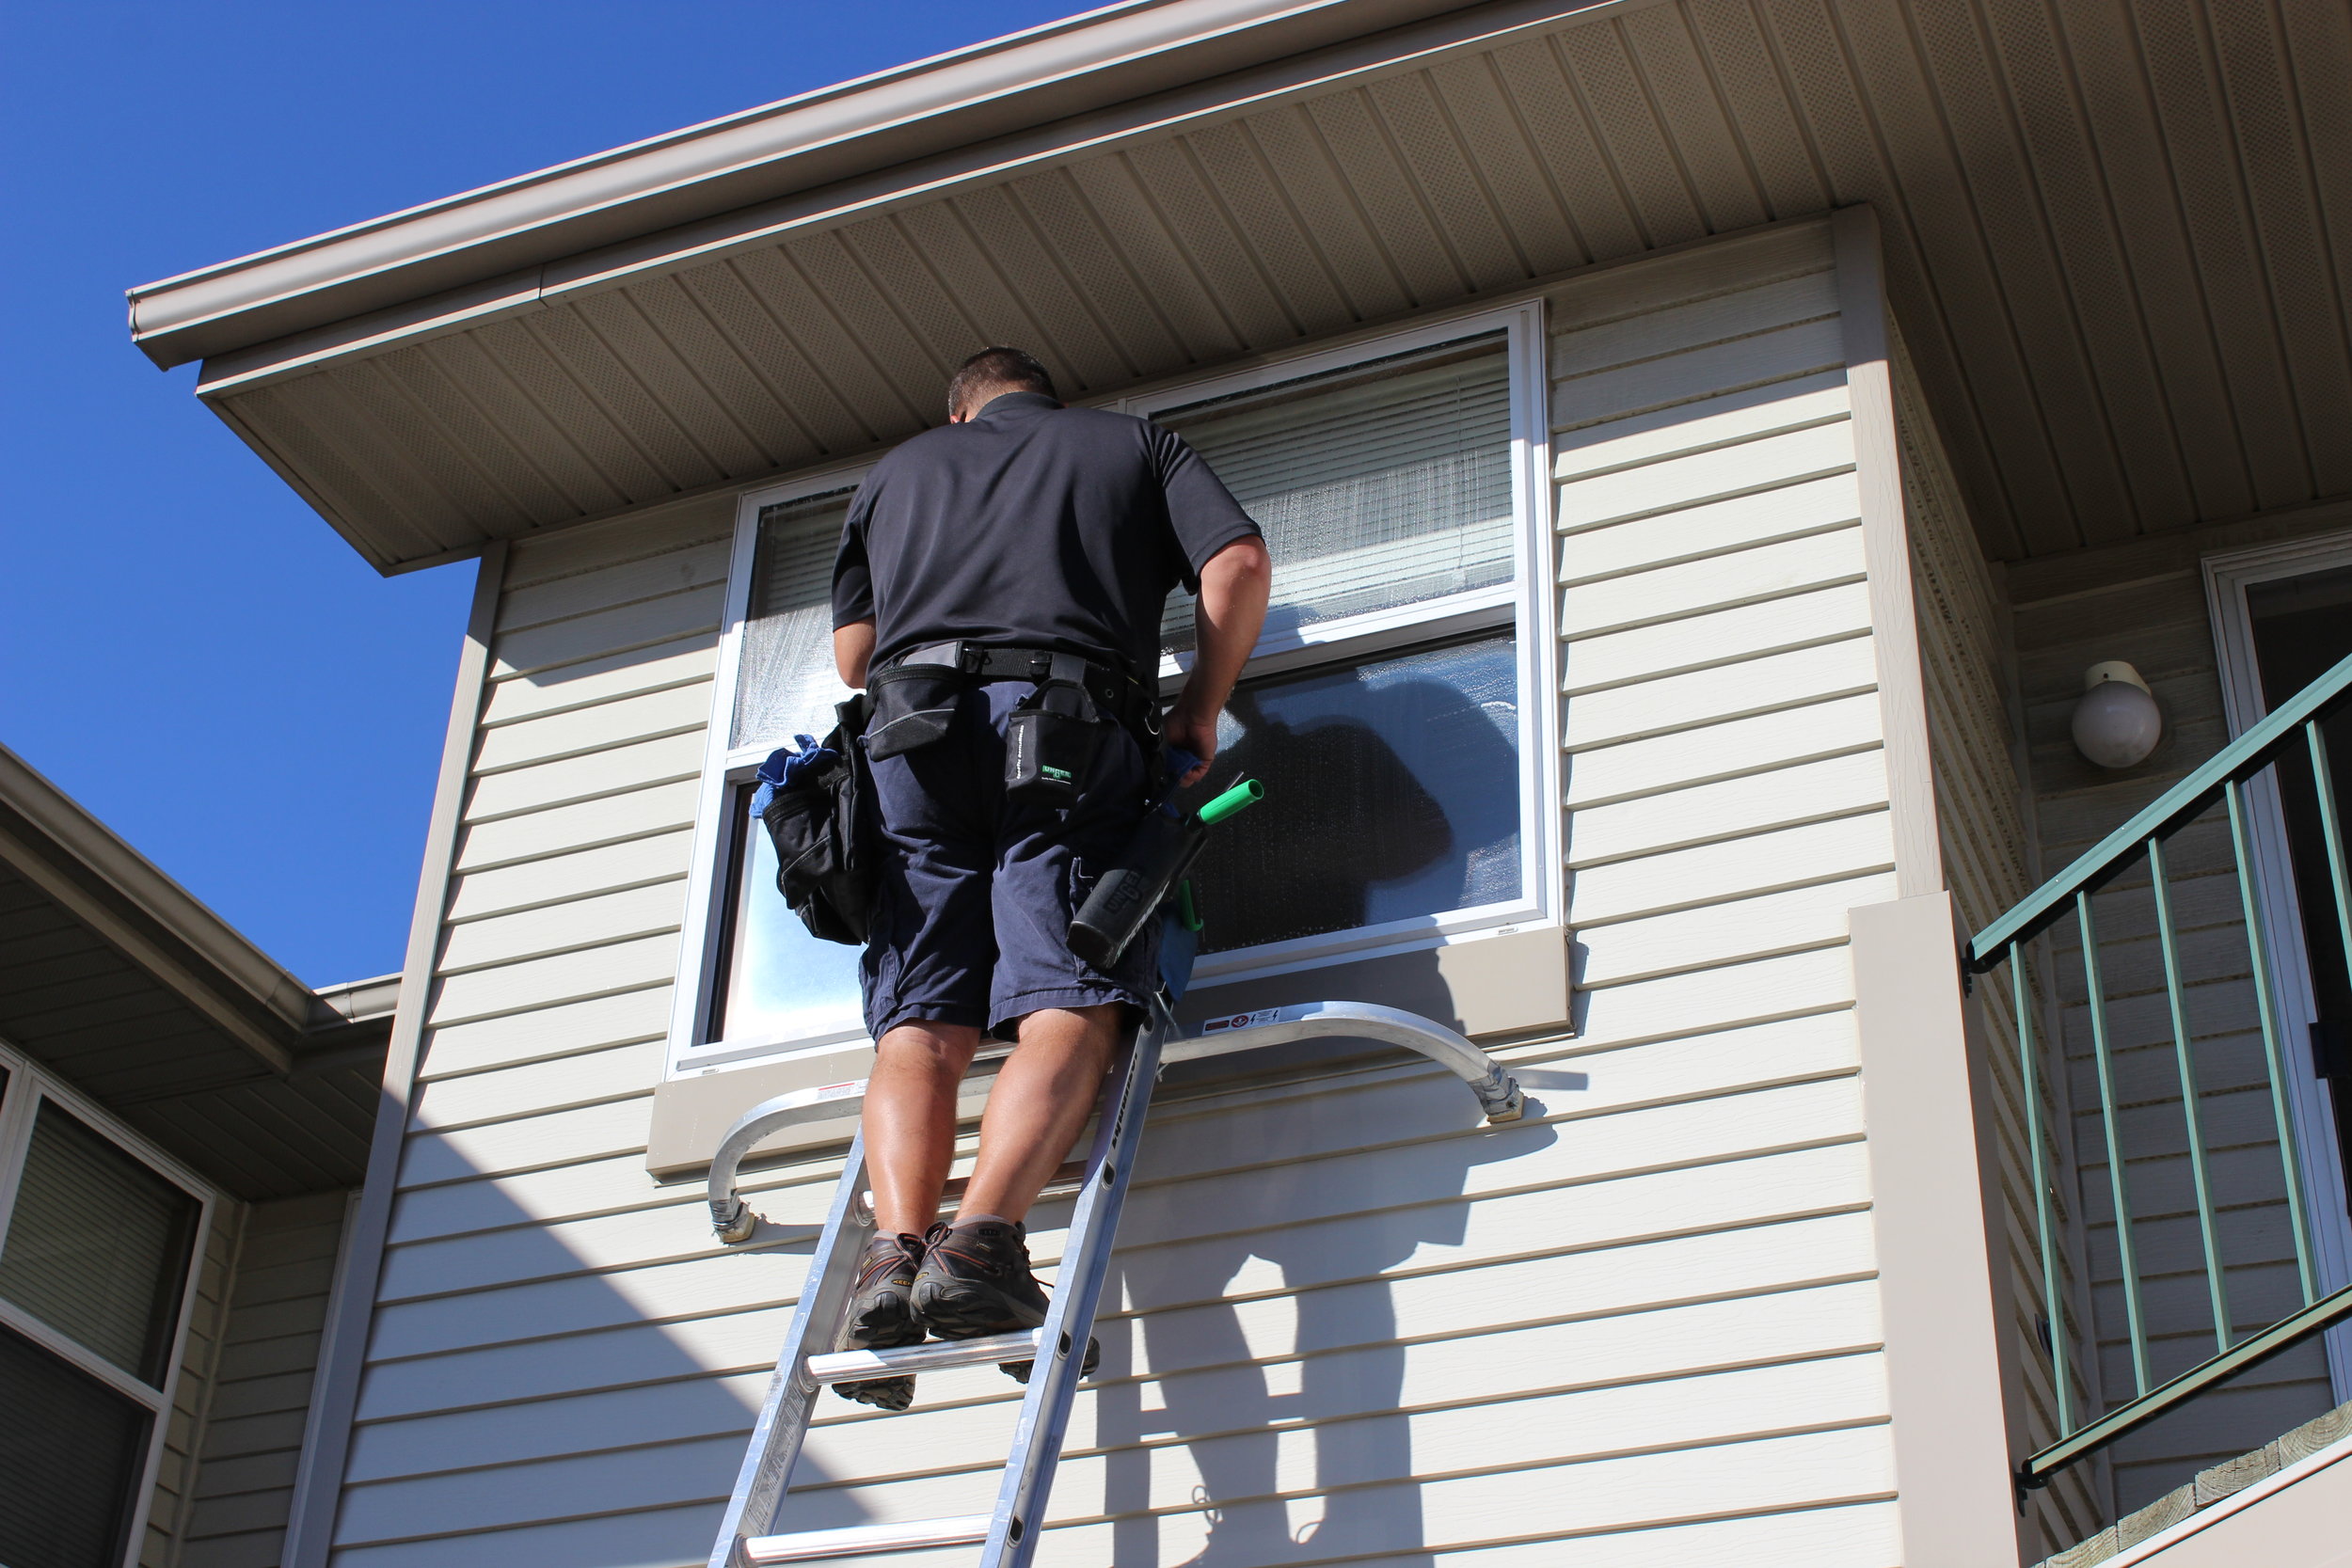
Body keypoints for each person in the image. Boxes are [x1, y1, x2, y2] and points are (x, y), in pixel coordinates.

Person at [827, 346, 1271, 1408]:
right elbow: (1238, 565)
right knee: (1069, 992)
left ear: (960, 408)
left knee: (920, 1019)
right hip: (1062, 730)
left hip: (913, 741)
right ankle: (979, 1243)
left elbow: (854, 653)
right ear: (1042, 392)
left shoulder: (894, 474)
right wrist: (1200, 701)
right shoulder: (1132, 443)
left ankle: (893, 1255)